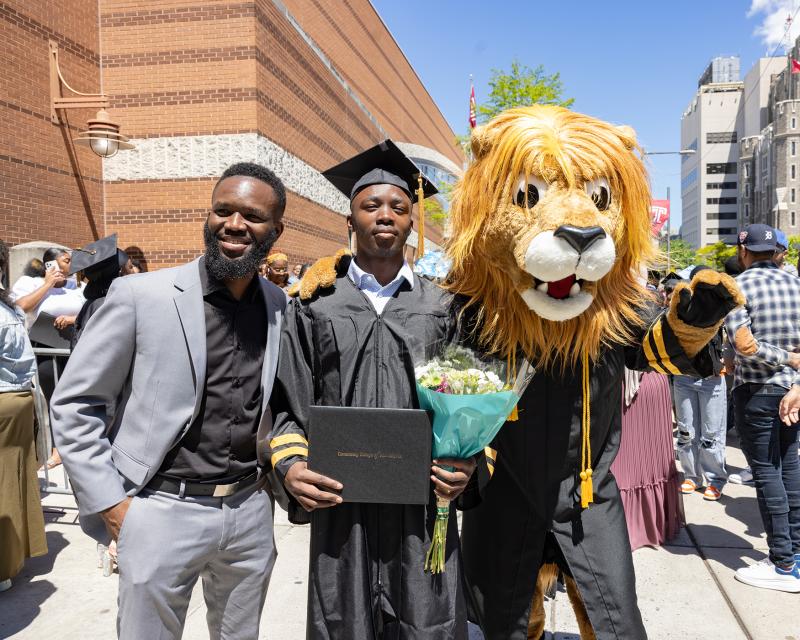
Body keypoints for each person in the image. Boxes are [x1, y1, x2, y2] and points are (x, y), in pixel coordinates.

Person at [50, 162, 288, 639]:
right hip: (158, 508)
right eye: (223, 210)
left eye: (252, 216)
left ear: (275, 230)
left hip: (247, 511)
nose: (235, 225)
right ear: (208, 216)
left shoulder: (281, 306)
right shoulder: (142, 296)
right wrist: (112, 505)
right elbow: (75, 405)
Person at [268, 140, 475, 639]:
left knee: (429, 624)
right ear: (350, 220)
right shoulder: (314, 306)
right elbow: (286, 404)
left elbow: (472, 406)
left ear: (411, 223)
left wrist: (468, 464)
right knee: (345, 624)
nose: (386, 214)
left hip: (425, 511)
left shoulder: (446, 308)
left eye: (399, 207)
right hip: (342, 513)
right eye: (371, 205)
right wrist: (291, 466)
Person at [726, 223, 800, 592]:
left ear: (744, 252)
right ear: (775, 253)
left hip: (757, 390)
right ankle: (796, 556)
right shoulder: (795, 283)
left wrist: (788, 358)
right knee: (790, 467)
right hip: (794, 391)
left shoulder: (738, 287)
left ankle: (783, 562)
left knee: (768, 473)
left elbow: (744, 344)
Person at [0, 242, 47, 593]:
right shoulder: (8, 306)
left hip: (9, 401)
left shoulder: (9, 306)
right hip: (15, 400)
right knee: (11, 485)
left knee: (7, 486)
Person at [674, 265, 728, 501]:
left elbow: (735, 337)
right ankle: (691, 476)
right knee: (686, 429)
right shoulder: (680, 307)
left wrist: (728, 361)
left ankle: (715, 479)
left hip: (712, 378)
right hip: (683, 376)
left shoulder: (724, 308)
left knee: (711, 433)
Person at [68, 234, 132, 348]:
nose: (135, 272)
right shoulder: (108, 303)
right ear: (121, 272)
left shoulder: (94, 302)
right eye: (131, 267)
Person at [11, 247, 84, 329]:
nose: (72, 264)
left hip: (74, 339)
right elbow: (20, 308)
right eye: (67, 261)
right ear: (52, 265)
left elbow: (91, 313)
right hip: (38, 340)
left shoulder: (79, 286)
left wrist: (73, 319)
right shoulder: (29, 282)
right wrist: (47, 284)